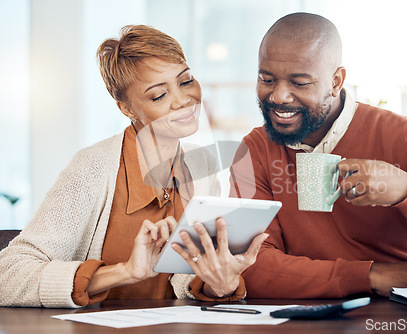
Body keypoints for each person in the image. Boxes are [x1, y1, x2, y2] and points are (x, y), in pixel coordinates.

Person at [230, 12, 407, 299]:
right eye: (267, 79)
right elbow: (248, 267)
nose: (279, 96)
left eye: (299, 83)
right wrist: (372, 275)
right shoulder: (254, 150)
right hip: (309, 317)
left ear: (336, 81)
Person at [0, 25, 267, 308]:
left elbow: (183, 280)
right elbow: (7, 276)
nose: (183, 100)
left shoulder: (202, 165)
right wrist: (125, 272)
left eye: (186, 81)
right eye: (158, 95)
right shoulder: (92, 167)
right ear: (126, 109)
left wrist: (218, 284)